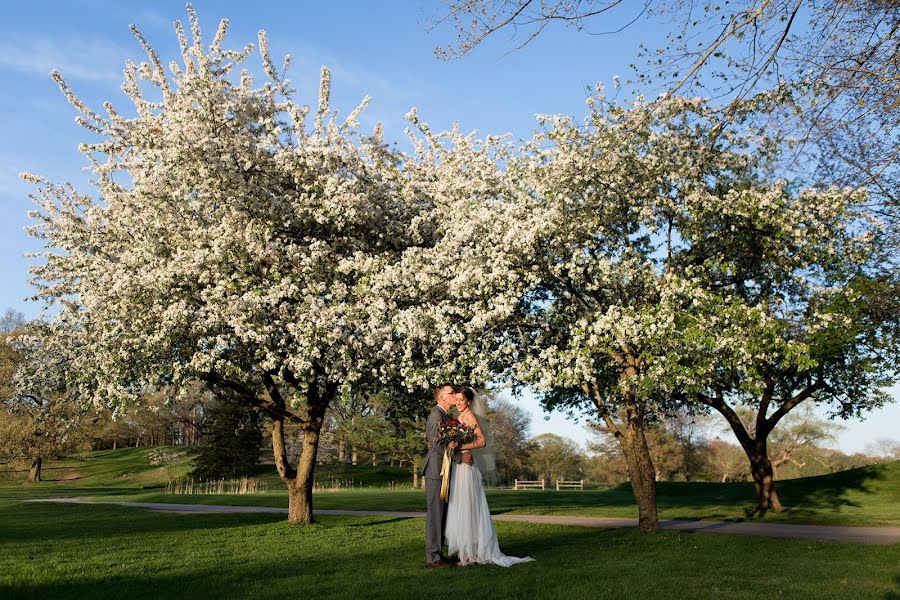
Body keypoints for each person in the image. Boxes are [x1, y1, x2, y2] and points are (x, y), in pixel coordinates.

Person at [445, 386, 535, 567]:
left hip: (468, 468)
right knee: (463, 507)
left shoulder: (469, 416)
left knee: (470, 507)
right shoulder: (459, 418)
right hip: (460, 466)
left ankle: (474, 553)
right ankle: (468, 553)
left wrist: (461, 447)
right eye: (458, 400)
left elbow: (481, 441)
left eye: (462, 400)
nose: (459, 403)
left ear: (469, 401)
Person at [423, 383, 474, 568]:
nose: (454, 396)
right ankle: (433, 557)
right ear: (442, 397)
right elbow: (437, 445)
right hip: (436, 471)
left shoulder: (446, 416)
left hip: (445, 471)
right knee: (435, 515)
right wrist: (460, 457)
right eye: (451, 393)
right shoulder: (436, 415)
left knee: (443, 515)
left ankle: (439, 554)